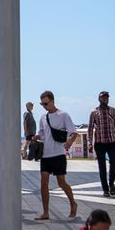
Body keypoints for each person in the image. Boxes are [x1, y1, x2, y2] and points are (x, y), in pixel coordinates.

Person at [35, 91, 77, 221]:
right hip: (45, 155)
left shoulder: (63, 115)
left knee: (61, 182)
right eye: (42, 104)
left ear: (52, 101)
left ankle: (73, 203)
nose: (44, 106)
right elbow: (42, 134)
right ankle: (45, 212)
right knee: (43, 183)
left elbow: (73, 132)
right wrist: (37, 137)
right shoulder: (43, 117)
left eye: (46, 103)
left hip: (58, 154)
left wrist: (69, 141)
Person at [88, 91, 115, 197]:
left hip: (112, 142)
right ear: (99, 99)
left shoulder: (113, 111)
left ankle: (111, 184)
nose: (105, 99)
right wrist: (90, 143)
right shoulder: (94, 112)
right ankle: (105, 189)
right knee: (102, 167)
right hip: (100, 142)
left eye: (106, 98)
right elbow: (90, 128)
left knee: (114, 162)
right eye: (103, 98)